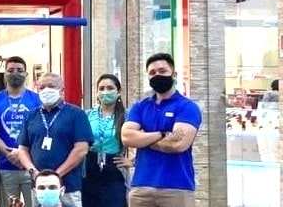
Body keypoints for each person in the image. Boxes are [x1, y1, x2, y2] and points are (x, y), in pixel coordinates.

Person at [121, 53, 201, 207]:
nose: (157, 75)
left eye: (162, 71)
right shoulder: (140, 107)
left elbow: (178, 144)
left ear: (174, 75)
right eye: (152, 73)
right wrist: (163, 134)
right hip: (141, 187)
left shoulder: (187, 107)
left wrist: (142, 138)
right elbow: (126, 137)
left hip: (177, 188)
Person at [16, 73, 93, 207]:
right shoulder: (31, 116)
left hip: (68, 186)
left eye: (51, 86)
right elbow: (22, 149)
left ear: (61, 90)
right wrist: (34, 172)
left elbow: (81, 149)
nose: (46, 90)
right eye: (42, 87)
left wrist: (56, 175)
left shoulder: (76, 114)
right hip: (39, 187)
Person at [0, 56, 41, 207]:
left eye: (19, 70)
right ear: (5, 74)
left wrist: (23, 156)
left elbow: (41, 131)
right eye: (10, 70)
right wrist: (10, 155)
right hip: (5, 166)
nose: (15, 73)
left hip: (32, 166)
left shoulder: (37, 100)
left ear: (26, 74)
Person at [82, 74, 132, 207]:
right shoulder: (87, 114)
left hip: (114, 167)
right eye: (101, 88)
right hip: (89, 167)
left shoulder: (126, 115)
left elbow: (142, 139)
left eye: (110, 88)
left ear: (118, 92)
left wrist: (133, 161)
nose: (105, 92)